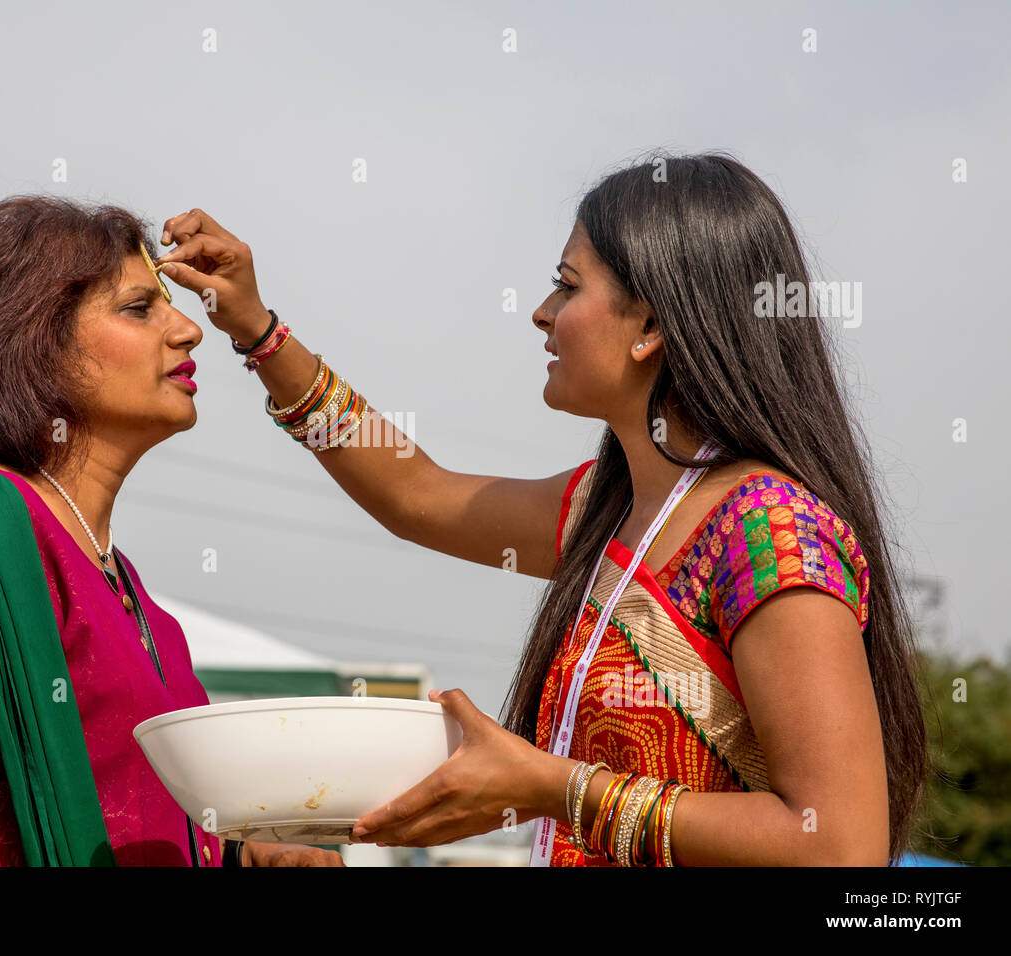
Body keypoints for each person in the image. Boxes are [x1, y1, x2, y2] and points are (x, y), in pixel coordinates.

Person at [150, 152, 928, 865]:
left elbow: (840, 848)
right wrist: (254, 328)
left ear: (651, 325)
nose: (542, 313)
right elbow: (416, 493)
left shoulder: (769, 530)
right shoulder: (613, 508)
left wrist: (550, 787)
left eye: (568, 283)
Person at [0, 195, 343, 867]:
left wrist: (251, 854)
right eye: (140, 308)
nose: (189, 331)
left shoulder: (136, 601)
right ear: (34, 343)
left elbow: (142, 814)